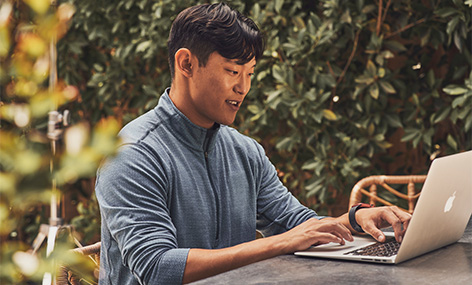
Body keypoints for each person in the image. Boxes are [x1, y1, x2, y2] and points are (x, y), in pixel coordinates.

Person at [95, 3, 411, 284]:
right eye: (232, 71)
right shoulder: (131, 154)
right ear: (187, 64)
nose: (243, 87)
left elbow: (295, 223)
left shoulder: (243, 151)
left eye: (250, 73)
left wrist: (353, 219)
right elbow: (157, 268)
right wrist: (281, 243)